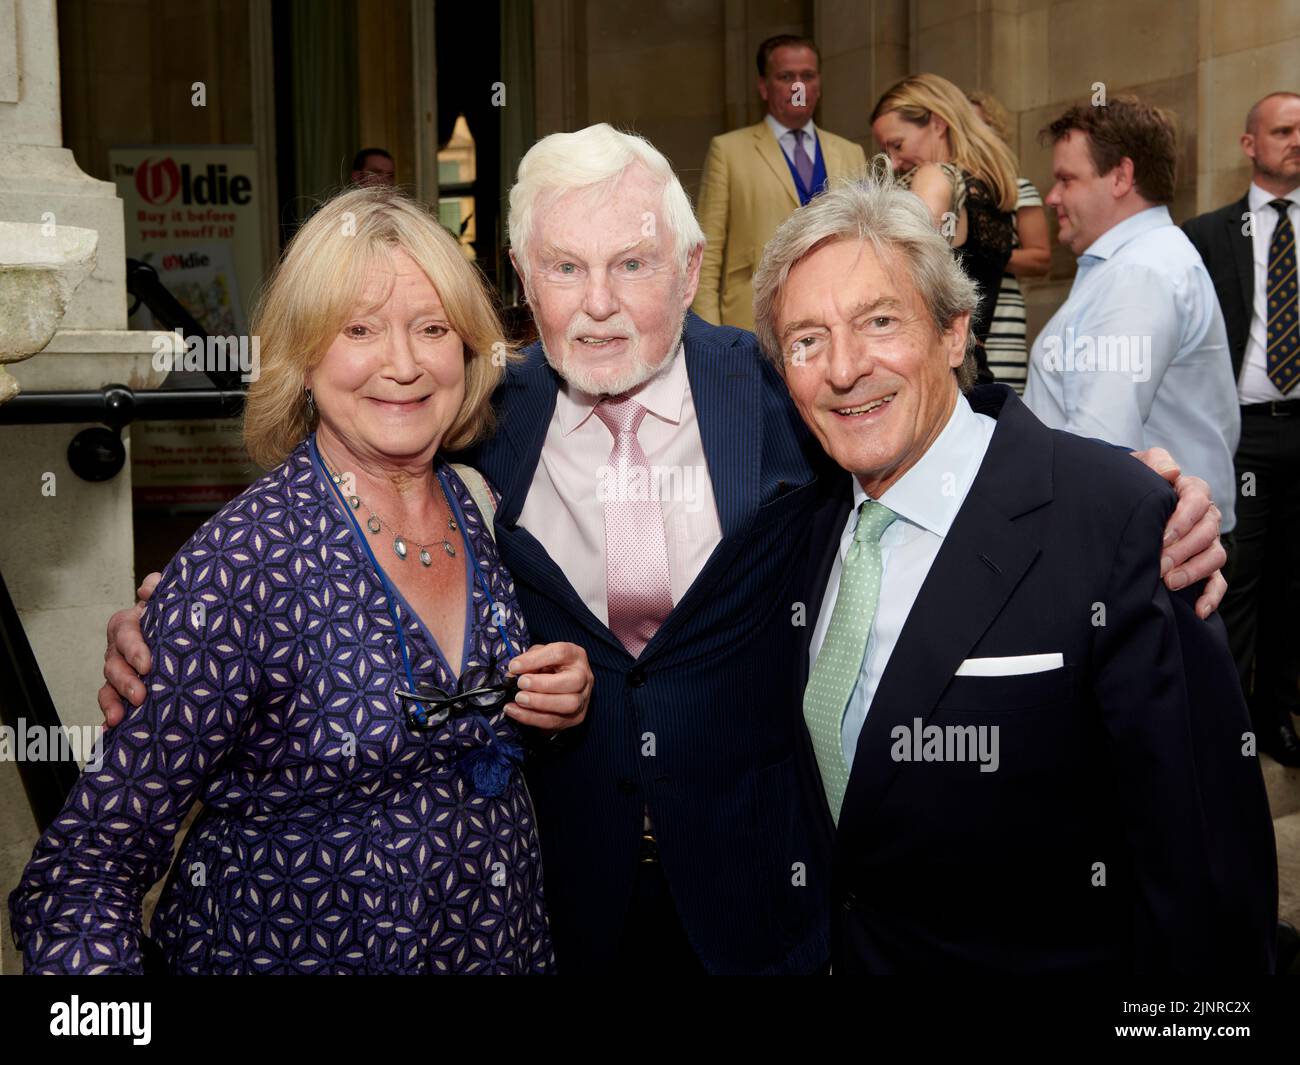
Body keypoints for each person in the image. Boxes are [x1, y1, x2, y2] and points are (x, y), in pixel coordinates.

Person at [100, 126, 1230, 975]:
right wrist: (183, 609)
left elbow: (949, 414)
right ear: (517, 276)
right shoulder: (479, 414)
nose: (598, 307)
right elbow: (345, 483)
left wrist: (1135, 501)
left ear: (690, 273)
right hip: (545, 903)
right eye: (564, 269)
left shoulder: (787, 391)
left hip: (769, 905)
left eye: (634, 265)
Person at [11, 187, 593, 974]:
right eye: (359, 329)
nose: (404, 363)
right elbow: (78, 878)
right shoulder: (244, 563)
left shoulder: (474, 500)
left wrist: (551, 706)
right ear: (304, 352)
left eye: (432, 328)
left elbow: (455, 737)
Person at [753, 175, 1277, 973]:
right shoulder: (799, 536)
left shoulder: (1125, 520)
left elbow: (1203, 862)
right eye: (806, 340)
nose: (844, 368)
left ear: (955, 331)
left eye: (880, 321)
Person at [1024, 96, 1240, 552]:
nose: (1052, 197)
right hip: (1150, 537)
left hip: (1147, 546)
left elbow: (1099, 441)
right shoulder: (1133, 263)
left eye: (1066, 179)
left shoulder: (1140, 273)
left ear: (1121, 176)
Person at [1183, 91, 1300, 767]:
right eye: (1282, 130)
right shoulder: (1206, 234)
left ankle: (1276, 714)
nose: (1295, 140)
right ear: (1249, 144)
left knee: (1295, 582)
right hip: (1242, 433)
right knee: (1240, 578)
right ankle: (1225, 723)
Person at [692, 34, 867, 332]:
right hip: (754, 324)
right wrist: (710, 337)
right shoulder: (729, 151)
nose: (798, 86)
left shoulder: (851, 153)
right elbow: (705, 255)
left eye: (807, 76)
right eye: (786, 77)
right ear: (763, 86)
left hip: (839, 321)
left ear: (819, 85)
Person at [870, 73, 1018, 381]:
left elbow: (899, 268)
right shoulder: (991, 190)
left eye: (897, 144)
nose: (893, 162)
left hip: (939, 371)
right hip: (975, 364)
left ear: (938, 123)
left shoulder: (935, 177)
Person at [967, 89, 1052, 392]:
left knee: (1000, 406)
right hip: (961, 322)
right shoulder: (944, 188)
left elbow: (1040, 258)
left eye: (977, 126)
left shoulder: (1016, 189)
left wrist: (987, 253)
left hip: (1003, 319)